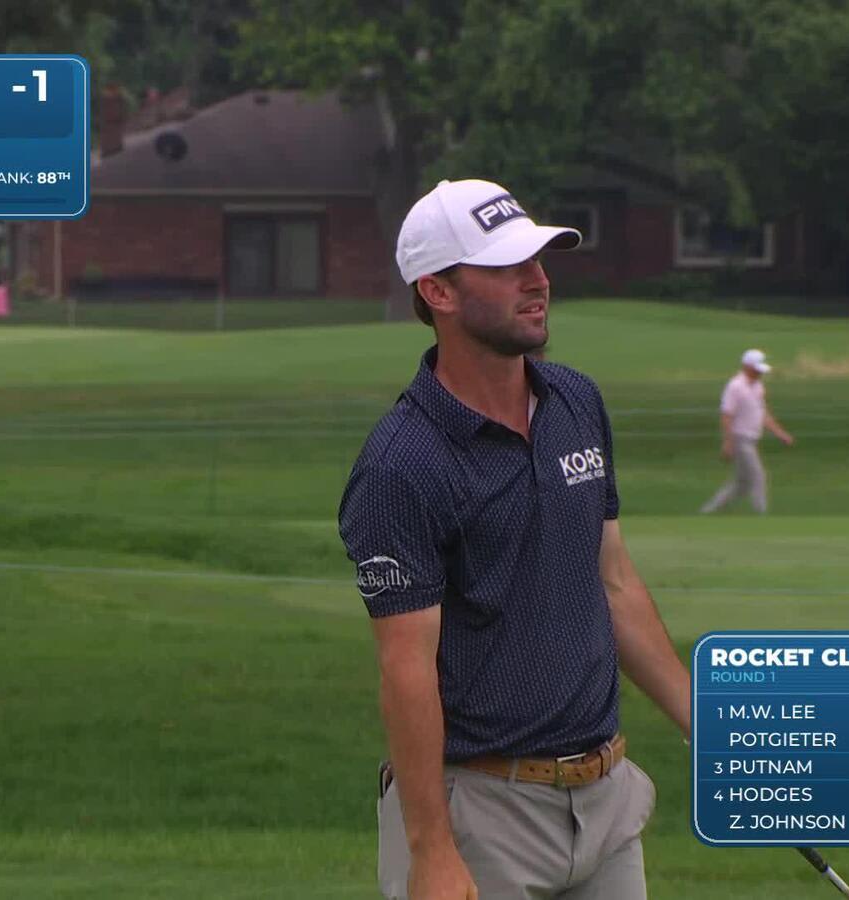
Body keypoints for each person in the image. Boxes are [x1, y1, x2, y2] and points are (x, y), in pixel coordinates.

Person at [339, 181, 690, 900]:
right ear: (437, 291)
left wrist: (707, 727)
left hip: (606, 800)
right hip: (482, 814)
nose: (538, 281)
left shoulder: (575, 401)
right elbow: (407, 669)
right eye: (505, 267)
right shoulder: (401, 464)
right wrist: (430, 851)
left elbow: (614, 581)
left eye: (538, 259)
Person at [699, 349, 795, 514]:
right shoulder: (735, 386)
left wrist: (780, 433)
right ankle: (761, 515)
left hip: (752, 439)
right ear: (747, 366)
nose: (760, 372)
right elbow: (726, 415)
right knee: (759, 477)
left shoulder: (758, 386)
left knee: (741, 485)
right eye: (756, 368)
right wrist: (728, 442)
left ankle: (708, 511)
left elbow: (763, 413)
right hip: (740, 439)